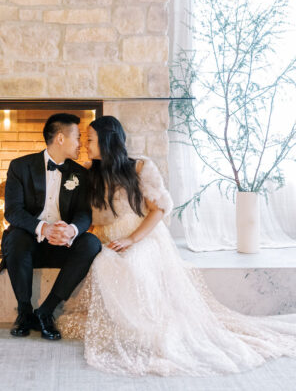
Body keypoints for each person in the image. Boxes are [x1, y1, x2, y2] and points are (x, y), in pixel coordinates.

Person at [57, 115, 296, 376]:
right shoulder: (88, 174)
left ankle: (147, 326)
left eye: (90, 139)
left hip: (142, 236)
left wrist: (132, 239)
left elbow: (159, 209)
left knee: (136, 264)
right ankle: (129, 325)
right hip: (108, 240)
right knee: (104, 262)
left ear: (107, 140)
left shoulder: (139, 168)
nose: (85, 145)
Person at [0, 113, 101, 340]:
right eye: (78, 136)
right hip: (30, 244)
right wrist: (43, 228)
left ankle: (46, 310)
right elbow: (12, 211)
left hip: (63, 245)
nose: (81, 143)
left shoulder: (81, 174)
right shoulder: (20, 167)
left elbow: (84, 213)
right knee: (15, 238)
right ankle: (24, 311)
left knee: (92, 243)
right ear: (61, 138)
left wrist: (71, 230)